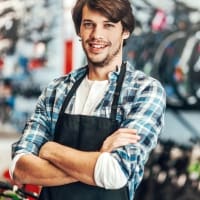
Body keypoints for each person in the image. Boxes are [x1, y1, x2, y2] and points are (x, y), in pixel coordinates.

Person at [10, 0, 166, 199]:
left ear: (125, 31)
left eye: (108, 25)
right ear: (79, 30)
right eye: (88, 24)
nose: (96, 35)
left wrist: (50, 150)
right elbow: (21, 169)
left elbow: (114, 173)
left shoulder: (144, 90)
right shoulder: (57, 90)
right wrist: (99, 158)